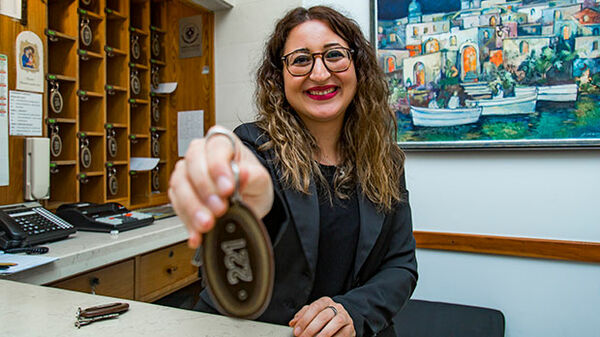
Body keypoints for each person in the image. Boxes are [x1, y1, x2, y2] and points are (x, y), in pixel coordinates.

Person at [168, 6, 417, 337]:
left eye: (334, 55)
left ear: (357, 65)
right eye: (301, 60)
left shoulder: (385, 159)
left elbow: (400, 266)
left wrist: (354, 311)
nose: (319, 73)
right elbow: (255, 228)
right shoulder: (254, 149)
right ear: (278, 77)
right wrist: (233, 206)